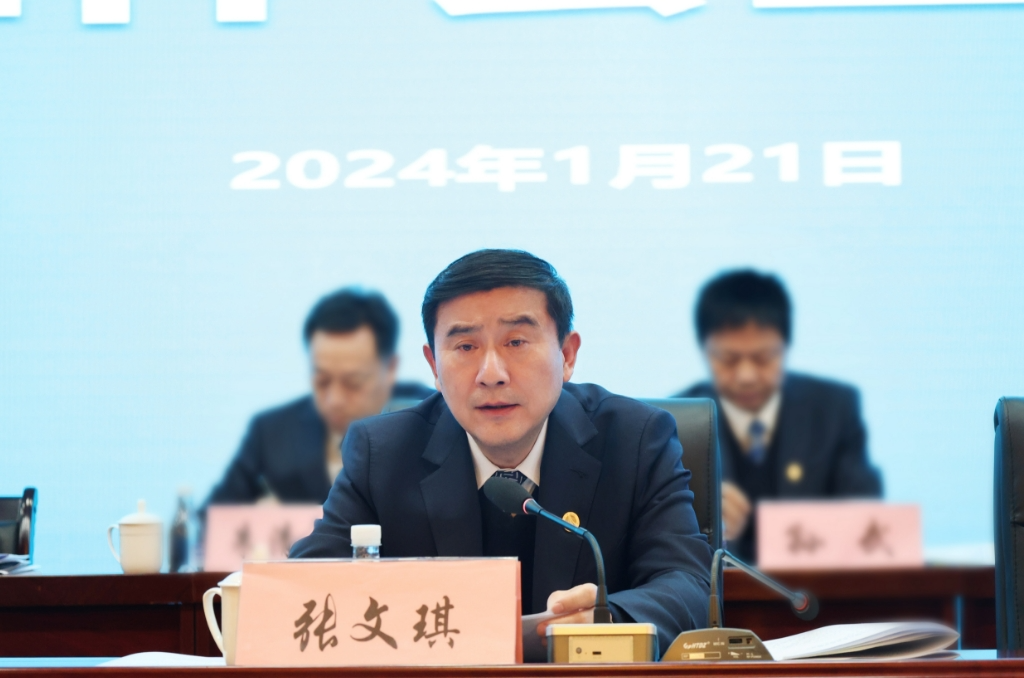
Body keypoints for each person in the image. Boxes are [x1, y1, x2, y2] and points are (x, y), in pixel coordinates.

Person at [291, 250, 712, 650]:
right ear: (434, 366)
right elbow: (306, 591)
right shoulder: (381, 454)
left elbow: (688, 585)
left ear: (567, 355)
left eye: (516, 342)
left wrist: (607, 620)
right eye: (466, 347)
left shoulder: (636, 440)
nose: (491, 374)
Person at [677, 270, 882, 563]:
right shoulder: (676, 422)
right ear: (705, 351)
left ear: (786, 346)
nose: (746, 376)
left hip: (815, 582)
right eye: (728, 359)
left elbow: (865, 516)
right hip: (716, 589)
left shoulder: (833, 409)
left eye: (763, 358)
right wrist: (707, 523)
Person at [204, 288, 434, 508]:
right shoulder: (272, 432)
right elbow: (212, 519)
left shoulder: (432, 419)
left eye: (352, 383)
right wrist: (260, 520)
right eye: (322, 381)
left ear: (390, 367)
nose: (334, 400)